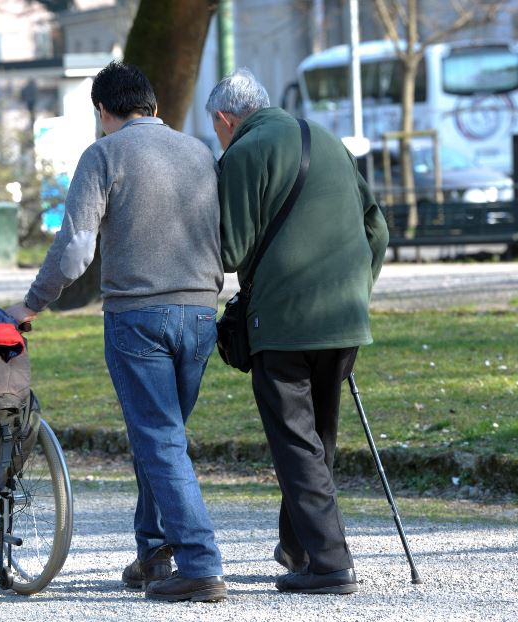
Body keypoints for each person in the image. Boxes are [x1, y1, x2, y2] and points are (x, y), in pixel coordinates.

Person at [6, 61, 227, 603]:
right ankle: (153, 552)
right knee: (162, 438)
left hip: (138, 317)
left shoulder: (103, 154)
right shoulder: (200, 151)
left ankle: (199, 563)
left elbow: (79, 248)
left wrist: (32, 303)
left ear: (103, 110)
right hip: (201, 313)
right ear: (151, 104)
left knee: (159, 440)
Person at [206, 69, 389, 595]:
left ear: (225, 119)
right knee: (318, 440)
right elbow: (376, 229)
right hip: (345, 318)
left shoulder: (243, 153)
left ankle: (330, 564)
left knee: (295, 442)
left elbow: (231, 251)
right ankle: (299, 547)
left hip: (284, 323)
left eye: (217, 130)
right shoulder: (327, 139)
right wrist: (356, 288)